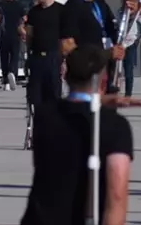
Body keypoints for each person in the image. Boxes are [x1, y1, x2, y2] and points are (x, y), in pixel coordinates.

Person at [20, 45, 134, 225]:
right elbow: (117, 194)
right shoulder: (115, 127)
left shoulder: (45, 117)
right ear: (104, 81)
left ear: (66, 76)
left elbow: (78, 102)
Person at [60, 0, 125, 91]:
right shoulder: (73, 6)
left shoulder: (100, 2)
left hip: (105, 75)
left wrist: (131, 10)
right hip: (85, 81)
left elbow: (114, 32)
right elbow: (67, 47)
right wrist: (105, 54)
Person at [22, 0, 64, 111]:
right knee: (36, 98)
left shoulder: (61, 11)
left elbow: (66, 38)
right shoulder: (34, 12)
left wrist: (65, 61)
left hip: (54, 58)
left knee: (53, 96)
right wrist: (28, 55)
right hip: (37, 58)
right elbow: (29, 35)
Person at [117, 0, 141, 100]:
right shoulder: (120, 12)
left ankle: (128, 94)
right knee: (117, 70)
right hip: (120, 45)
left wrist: (140, 38)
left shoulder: (137, 14)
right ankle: (116, 91)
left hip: (131, 44)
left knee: (128, 70)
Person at [0, 0, 26, 91]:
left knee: (4, 58)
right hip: (15, 35)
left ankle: (6, 82)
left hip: (3, 35)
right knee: (14, 56)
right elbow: (25, 19)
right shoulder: (19, 5)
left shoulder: (0, 5)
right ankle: (12, 72)